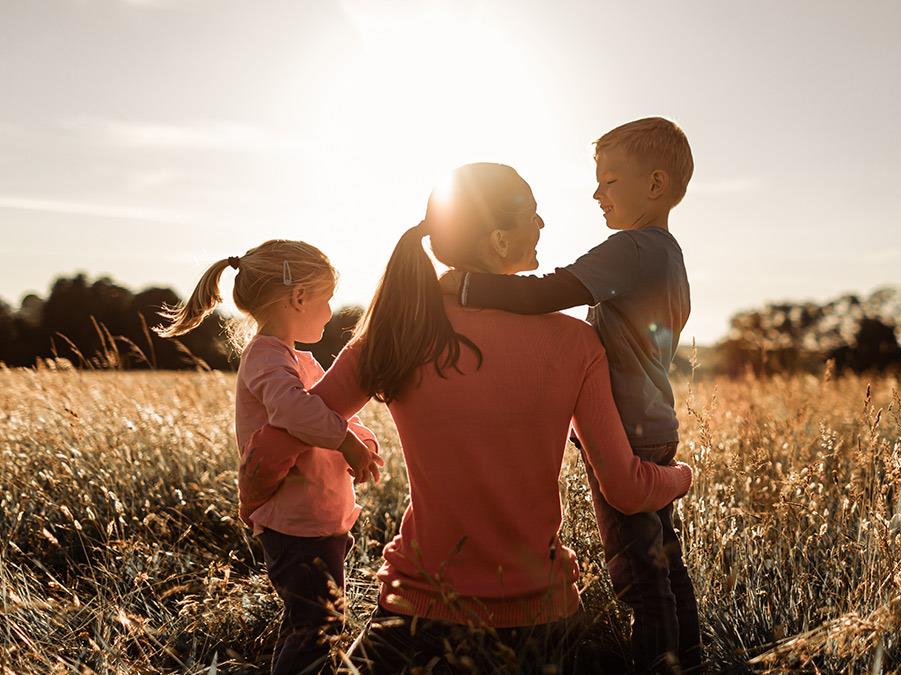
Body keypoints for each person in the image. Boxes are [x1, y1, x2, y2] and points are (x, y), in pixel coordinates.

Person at [251, 162, 693, 672]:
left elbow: (282, 438)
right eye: (532, 214)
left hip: (414, 613)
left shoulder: (395, 334)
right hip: (541, 621)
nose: (543, 224)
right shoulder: (576, 342)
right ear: (500, 242)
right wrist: (681, 476)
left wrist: (254, 493)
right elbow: (627, 489)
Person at [440, 118, 699, 672]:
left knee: (638, 574)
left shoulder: (632, 249)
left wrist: (468, 286)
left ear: (654, 186)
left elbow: (552, 290)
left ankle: (658, 664)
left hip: (624, 434)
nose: (596, 192)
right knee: (664, 560)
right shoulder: (667, 255)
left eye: (609, 180)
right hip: (653, 426)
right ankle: (691, 658)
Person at [155, 240, 383, 675]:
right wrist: (346, 442)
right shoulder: (266, 357)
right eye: (327, 298)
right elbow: (294, 411)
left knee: (313, 623)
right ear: (299, 297)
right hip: (295, 523)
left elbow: (322, 413)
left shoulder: (294, 357)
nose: (332, 311)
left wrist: (357, 438)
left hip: (315, 518)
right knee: (316, 626)